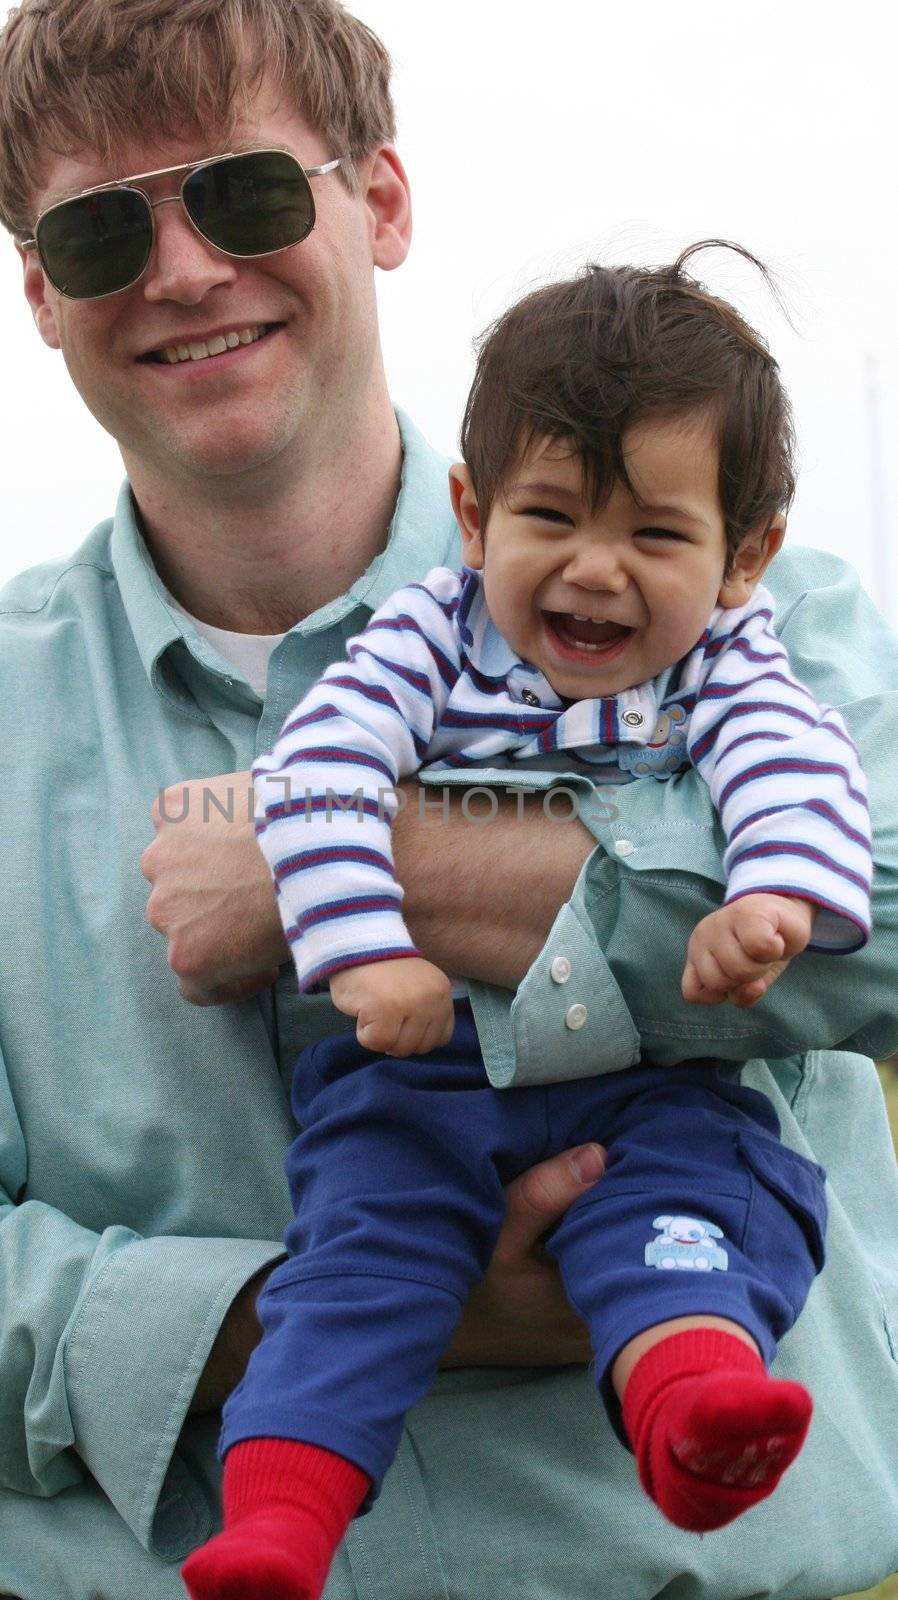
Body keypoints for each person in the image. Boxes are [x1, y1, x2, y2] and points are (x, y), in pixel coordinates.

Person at [0, 2, 896, 1597]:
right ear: (37, 292)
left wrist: (366, 866)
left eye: (245, 193)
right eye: (93, 230)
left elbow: (881, 930)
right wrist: (315, 1311)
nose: (185, 269)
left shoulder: (765, 615)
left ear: (385, 202)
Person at [177, 253, 865, 1599]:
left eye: (656, 538)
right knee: (360, 1252)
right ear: (472, 515)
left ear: (742, 556)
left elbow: (797, 767)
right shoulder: (424, 638)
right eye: (549, 516)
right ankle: (275, 1522)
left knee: (700, 1214)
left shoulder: (729, 661)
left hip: (650, 1084)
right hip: (424, 1073)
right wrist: (364, 946)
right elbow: (316, 775)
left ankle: (692, 1413)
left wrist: (771, 898)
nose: (594, 573)